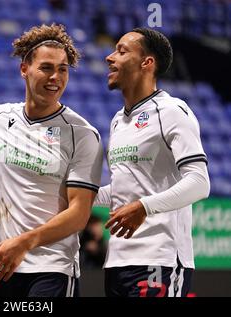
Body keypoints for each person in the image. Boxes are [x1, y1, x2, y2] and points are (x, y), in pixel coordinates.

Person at [0, 24, 103, 297]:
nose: (55, 77)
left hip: (52, 269)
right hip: (3, 267)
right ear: (24, 69)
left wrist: (24, 243)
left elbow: (79, 214)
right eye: (47, 67)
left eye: (63, 69)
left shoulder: (82, 134)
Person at [94, 27, 210, 297]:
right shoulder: (117, 121)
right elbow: (124, 190)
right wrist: (76, 196)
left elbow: (199, 182)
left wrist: (144, 207)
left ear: (147, 63)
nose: (110, 58)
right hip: (118, 262)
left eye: (122, 51)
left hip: (160, 261)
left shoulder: (172, 111)